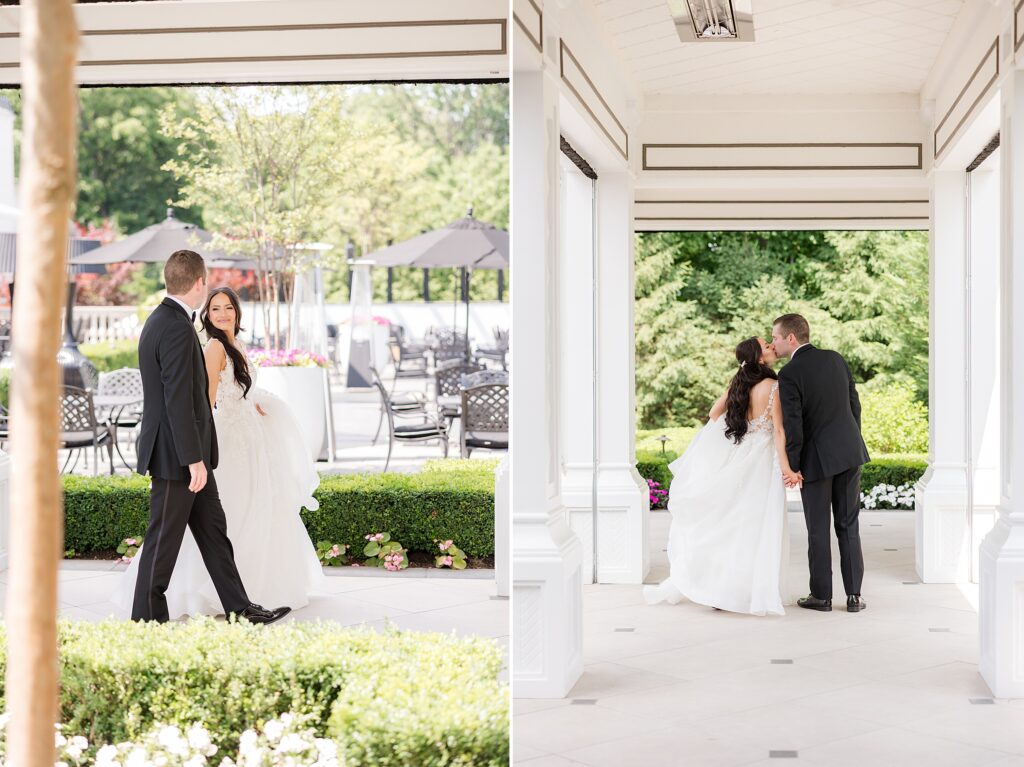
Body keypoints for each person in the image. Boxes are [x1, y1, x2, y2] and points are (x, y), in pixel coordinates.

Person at [128, 250, 290, 624]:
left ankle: (241, 607)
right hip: (177, 457)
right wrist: (193, 459)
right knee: (162, 541)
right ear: (200, 283)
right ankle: (146, 619)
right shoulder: (174, 326)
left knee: (215, 533)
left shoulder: (165, 320)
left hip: (187, 452)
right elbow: (178, 399)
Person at [644, 337, 794, 616]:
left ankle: (720, 587)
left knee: (730, 521)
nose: (772, 347)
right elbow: (778, 432)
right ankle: (748, 589)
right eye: (766, 346)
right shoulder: (774, 387)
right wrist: (786, 468)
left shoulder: (738, 385)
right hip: (761, 464)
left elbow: (714, 414)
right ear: (759, 359)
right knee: (756, 524)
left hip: (738, 460)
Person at [772, 313, 870, 613]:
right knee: (848, 524)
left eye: (775, 337)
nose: (773, 343)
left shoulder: (789, 374)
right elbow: (855, 405)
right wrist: (851, 440)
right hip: (850, 452)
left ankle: (822, 596)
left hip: (816, 460)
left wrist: (794, 464)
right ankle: (854, 596)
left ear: (791, 338)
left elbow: (794, 423)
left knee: (818, 528)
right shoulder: (836, 359)